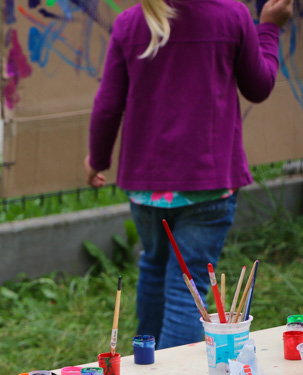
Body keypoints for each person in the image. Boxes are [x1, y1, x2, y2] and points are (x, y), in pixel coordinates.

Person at [84, 0, 293, 349]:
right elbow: (259, 86)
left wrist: (98, 160)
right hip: (208, 187)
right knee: (188, 283)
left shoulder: (131, 22)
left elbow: (107, 105)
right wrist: (269, 27)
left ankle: (146, 370)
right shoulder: (232, 16)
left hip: (146, 189)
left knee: (153, 265)